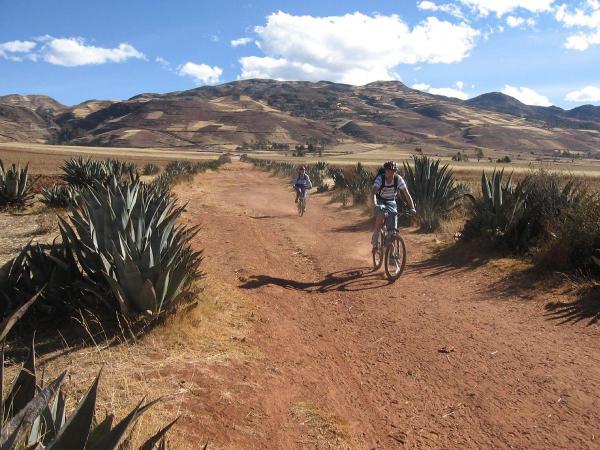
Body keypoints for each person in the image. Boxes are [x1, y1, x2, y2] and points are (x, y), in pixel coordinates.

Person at [371, 161, 416, 252]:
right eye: (389, 171)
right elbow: (373, 193)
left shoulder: (398, 179)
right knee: (380, 216)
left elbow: (406, 194)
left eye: (393, 171)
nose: (391, 173)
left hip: (391, 201)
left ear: (395, 171)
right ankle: (375, 237)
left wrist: (412, 208)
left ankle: (392, 254)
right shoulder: (380, 178)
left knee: (393, 229)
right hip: (380, 200)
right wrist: (375, 204)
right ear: (385, 171)